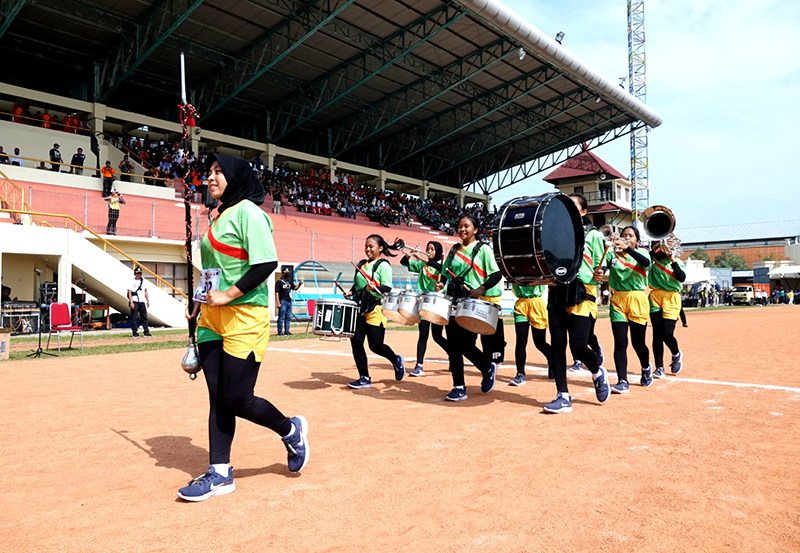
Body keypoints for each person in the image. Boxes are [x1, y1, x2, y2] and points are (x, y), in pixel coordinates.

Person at [180, 153, 309, 502]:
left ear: (235, 177)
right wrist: (198, 302)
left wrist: (229, 295)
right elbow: (212, 273)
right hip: (210, 318)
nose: (211, 178)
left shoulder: (251, 214)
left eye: (218, 172)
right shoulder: (216, 218)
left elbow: (266, 263)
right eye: (209, 172)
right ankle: (220, 473)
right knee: (217, 398)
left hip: (244, 315)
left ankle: (290, 430)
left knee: (238, 398)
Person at [542, 194, 610, 413]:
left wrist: (602, 272)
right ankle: (562, 395)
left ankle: (598, 372)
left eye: (572, 205)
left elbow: (605, 264)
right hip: (557, 291)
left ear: (583, 212)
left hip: (583, 292)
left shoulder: (593, 236)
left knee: (579, 347)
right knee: (557, 345)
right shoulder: (552, 233)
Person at [435, 215, 500, 401]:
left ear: (476, 229)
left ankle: (487, 368)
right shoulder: (455, 249)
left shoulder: (483, 249)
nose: (462, 229)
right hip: (453, 301)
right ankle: (459, 387)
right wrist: (441, 284)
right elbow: (445, 272)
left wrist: (481, 288)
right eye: (459, 226)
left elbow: (496, 274)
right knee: (454, 346)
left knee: (465, 345)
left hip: (472, 303)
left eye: (466, 226)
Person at [344, 234, 405, 388]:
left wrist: (375, 288)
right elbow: (357, 286)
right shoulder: (361, 264)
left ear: (380, 248)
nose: (368, 249)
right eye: (366, 246)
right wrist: (350, 292)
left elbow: (387, 287)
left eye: (371, 246)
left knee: (376, 345)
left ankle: (395, 360)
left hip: (375, 308)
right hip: (359, 309)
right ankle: (364, 378)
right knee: (356, 343)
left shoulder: (383, 265)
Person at [603, 225, 652, 393]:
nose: (627, 237)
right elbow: (602, 267)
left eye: (631, 236)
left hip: (637, 298)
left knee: (638, 343)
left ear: (636, 240)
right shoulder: (612, 255)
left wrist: (627, 249)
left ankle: (646, 368)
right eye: (624, 235)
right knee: (620, 342)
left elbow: (646, 264)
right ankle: (622, 380)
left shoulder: (643, 253)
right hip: (618, 300)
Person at [400, 241, 448, 377]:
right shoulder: (422, 265)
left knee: (437, 337)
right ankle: (419, 365)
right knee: (423, 335)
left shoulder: (442, 266)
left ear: (438, 252)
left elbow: (440, 269)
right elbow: (404, 262)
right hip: (423, 302)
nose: (429, 251)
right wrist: (410, 254)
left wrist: (422, 257)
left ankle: (453, 355)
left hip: (437, 304)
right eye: (428, 249)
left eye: (432, 249)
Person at [649, 240, 686, 378]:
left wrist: (672, 260)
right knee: (656, 335)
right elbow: (648, 255)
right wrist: (657, 248)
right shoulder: (651, 260)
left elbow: (681, 277)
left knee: (667, 334)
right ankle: (659, 367)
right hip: (656, 296)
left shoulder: (676, 262)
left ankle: (676, 353)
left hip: (671, 297)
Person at [509, 283, 553, 385]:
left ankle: (552, 361)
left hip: (536, 304)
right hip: (521, 304)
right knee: (521, 340)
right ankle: (520, 373)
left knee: (539, 342)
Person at [275, 269, 304, 336]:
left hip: (289, 301)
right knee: (281, 317)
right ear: (282, 273)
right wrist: (278, 302)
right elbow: (276, 293)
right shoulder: (279, 282)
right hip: (283, 301)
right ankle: (280, 332)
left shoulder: (289, 282)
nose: (287, 274)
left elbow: (295, 288)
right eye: (285, 273)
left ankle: (287, 331)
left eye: (288, 273)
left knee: (288, 317)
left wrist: (299, 284)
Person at [127, 266, 151, 338]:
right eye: (137, 273)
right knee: (134, 317)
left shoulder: (143, 281)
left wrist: (147, 300)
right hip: (135, 300)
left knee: (144, 317)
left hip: (141, 301)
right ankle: (135, 332)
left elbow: (145, 291)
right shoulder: (132, 281)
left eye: (140, 273)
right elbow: (129, 292)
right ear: (134, 274)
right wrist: (131, 302)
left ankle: (146, 332)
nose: (139, 275)